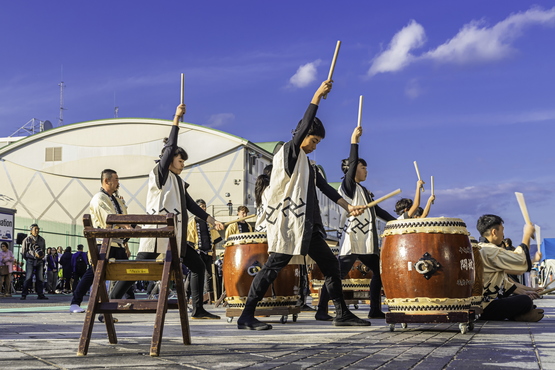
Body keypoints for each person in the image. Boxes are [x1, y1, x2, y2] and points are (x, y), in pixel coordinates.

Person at [236, 79, 369, 331]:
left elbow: (325, 187)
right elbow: (305, 125)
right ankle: (247, 315)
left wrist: (347, 205)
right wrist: (317, 95)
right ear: (302, 134)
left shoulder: (307, 165)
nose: (315, 145)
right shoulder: (289, 152)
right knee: (273, 266)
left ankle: (341, 313)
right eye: (314, 140)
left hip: (308, 226)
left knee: (331, 266)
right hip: (290, 222)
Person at [111, 104, 224, 320]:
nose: (182, 165)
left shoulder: (178, 182)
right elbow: (171, 145)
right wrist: (176, 119)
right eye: (180, 161)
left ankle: (198, 309)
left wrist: (212, 220)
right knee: (138, 267)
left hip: (176, 236)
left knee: (198, 266)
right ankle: (111, 303)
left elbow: (190, 205)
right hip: (157, 232)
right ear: (169, 158)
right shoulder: (159, 174)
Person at [317, 126, 397, 321]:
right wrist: (354, 141)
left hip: (366, 241)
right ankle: (321, 310)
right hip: (353, 239)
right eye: (362, 167)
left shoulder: (363, 191)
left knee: (379, 272)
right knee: (336, 274)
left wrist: (399, 223)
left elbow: (378, 212)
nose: (366, 170)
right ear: (352, 170)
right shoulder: (349, 187)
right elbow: (352, 164)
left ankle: (374, 309)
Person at [69, 169, 131, 314]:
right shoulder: (99, 198)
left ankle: (119, 302)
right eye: (115, 179)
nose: (118, 183)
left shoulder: (115, 199)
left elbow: (125, 217)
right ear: (106, 181)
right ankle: (75, 302)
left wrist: (132, 228)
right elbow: (108, 219)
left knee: (128, 273)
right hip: (104, 243)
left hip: (118, 242)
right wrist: (126, 225)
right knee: (94, 273)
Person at [476, 214, 543, 321]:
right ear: (494, 232)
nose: (503, 235)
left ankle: (520, 314)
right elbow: (521, 260)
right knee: (525, 301)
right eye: (502, 230)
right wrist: (527, 235)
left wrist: (526, 291)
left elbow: (506, 283)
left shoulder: (482, 249)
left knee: (524, 299)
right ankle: (519, 315)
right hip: (485, 307)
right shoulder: (490, 251)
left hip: (483, 303)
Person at [187, 198, 223, 301]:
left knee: (210, 275)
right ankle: (187, 294)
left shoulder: (209, 222)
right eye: (200, 206)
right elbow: (190, 240)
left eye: (204, 206)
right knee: (193, 274)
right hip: (198, 252)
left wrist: (214, 252)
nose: (203, 208)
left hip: (208, 252)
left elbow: (214, 239)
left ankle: (209, 296)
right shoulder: (192, 222)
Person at [20, 224, 48, 300]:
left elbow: (43, 250)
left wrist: (41, 256)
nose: (37, 230)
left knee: (40, 278)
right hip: (30, 260)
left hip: (39, 261)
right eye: (35, 229)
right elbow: (23, 252)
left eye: (38, 229)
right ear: (31, 230)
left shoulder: (42, 240)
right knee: (28, 277)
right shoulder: (27, 239)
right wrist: (28, 258)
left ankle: (40, 294)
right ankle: (24, 294)